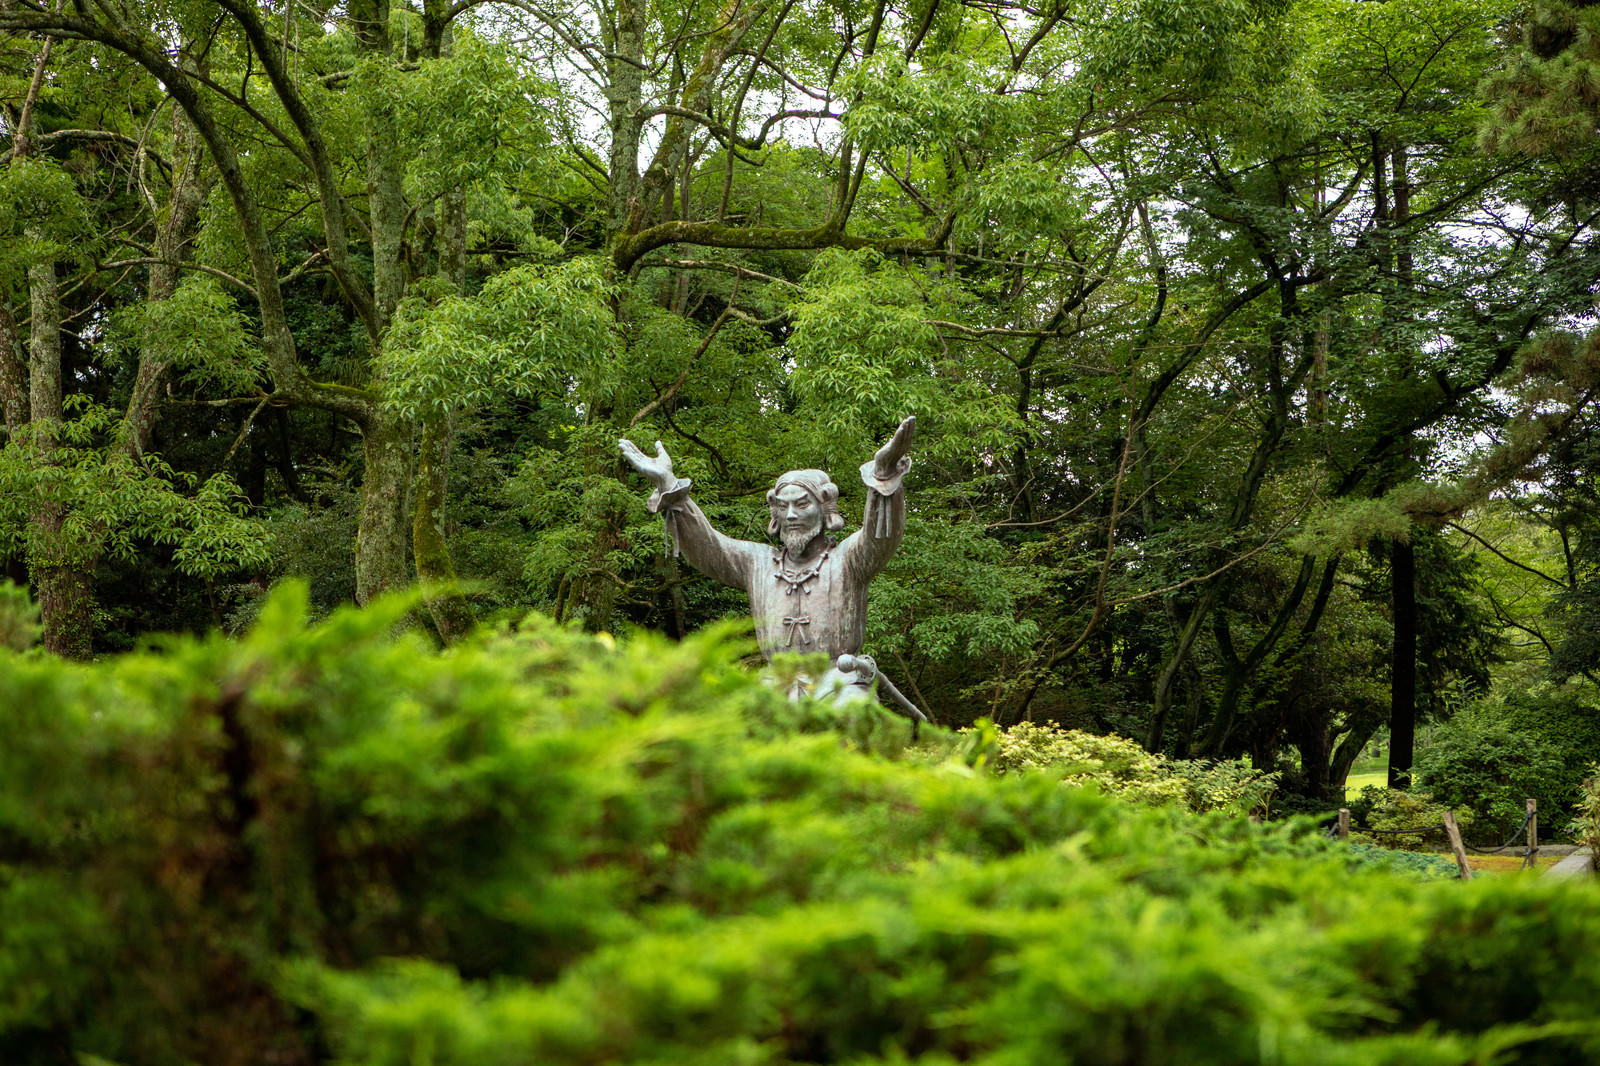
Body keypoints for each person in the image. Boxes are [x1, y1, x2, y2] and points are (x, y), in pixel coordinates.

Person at [618, 417, 916, 696]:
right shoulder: (757, 562)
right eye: (783, 507)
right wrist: (669, 485)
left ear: (824, 508)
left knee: (850, 714)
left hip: (839, 682)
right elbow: (708, 548)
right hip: (775, 685)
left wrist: (883, 475)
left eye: (802, 504)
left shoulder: (847, 559)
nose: (791, 515)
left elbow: (880, 538)